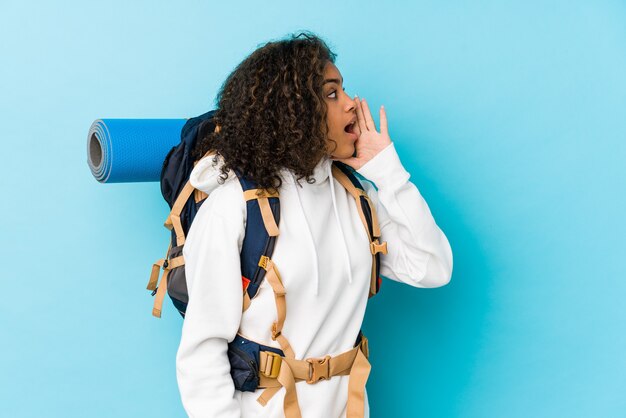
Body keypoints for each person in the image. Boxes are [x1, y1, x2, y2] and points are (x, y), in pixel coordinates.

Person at [175, 31, 453, 418]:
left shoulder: (355, 196)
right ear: (294, 111)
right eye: (332, 93)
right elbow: (201, 354)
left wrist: (387, 173)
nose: (353, 104)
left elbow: (432, 268)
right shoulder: (233, 207)